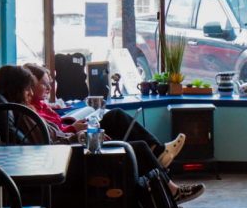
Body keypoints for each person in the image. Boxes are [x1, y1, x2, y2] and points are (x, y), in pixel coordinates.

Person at [0, 65, 205, 208]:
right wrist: (82, 135)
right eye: (28, 88)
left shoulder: (22, 111)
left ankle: (169, 194)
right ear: (16, 88)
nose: (31, 93)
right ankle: (170, 193)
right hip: (68, 157)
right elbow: (48, 145)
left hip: (68, 149)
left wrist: (76, 129)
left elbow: (51, 135)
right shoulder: (23, 114)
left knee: (120, 124)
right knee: (135, 146)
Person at [23, 63, 185, 168]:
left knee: (116, 116)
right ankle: (159, 152)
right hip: (74, 141)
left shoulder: (40, 105)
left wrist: (70, 122)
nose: (49, 89)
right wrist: (73, 128)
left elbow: (55, 127)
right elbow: (52, 136)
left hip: (74, 133)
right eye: (44, 84)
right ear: (31, 85)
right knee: (117, 119)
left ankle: (158, 150)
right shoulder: (30, 111)